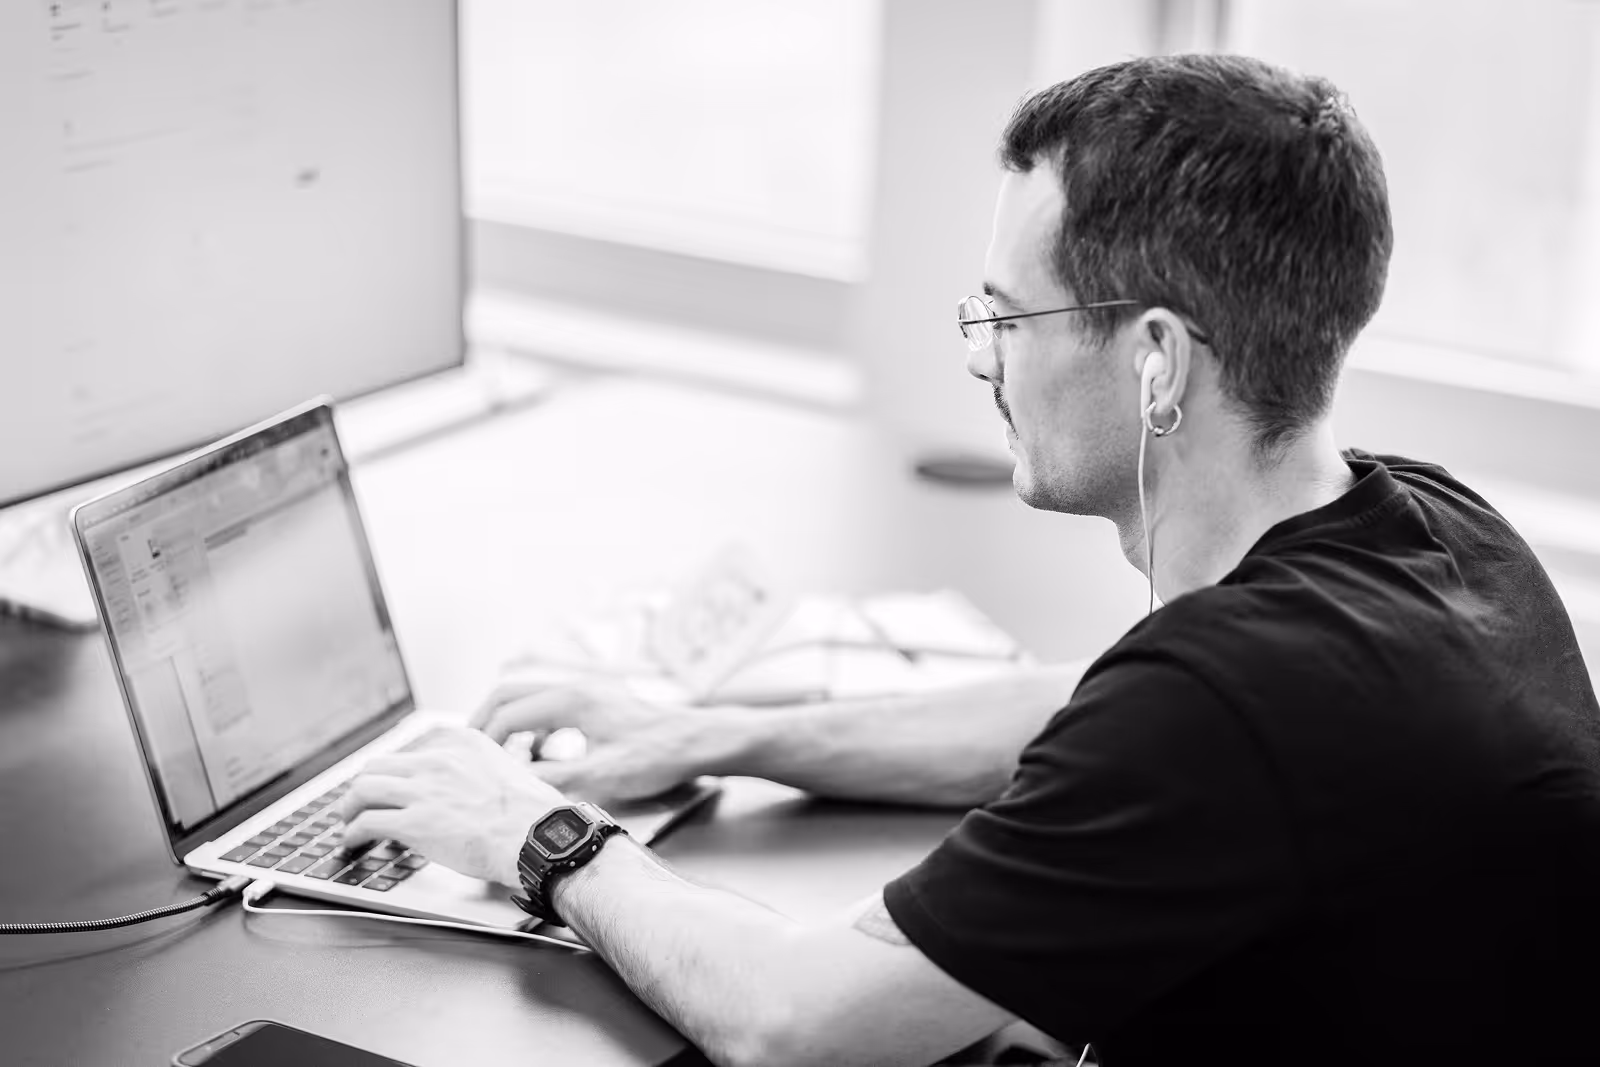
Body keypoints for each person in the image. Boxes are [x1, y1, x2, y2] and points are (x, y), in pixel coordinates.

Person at [337, 54, 1600, 1066]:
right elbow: (1086, 701)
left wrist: (545, 834)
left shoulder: (1230, 701)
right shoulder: (1434, 531)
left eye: (1008, 314)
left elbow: (791, 1023)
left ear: (1157, 360)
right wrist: (713, 730)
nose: (980, 355)